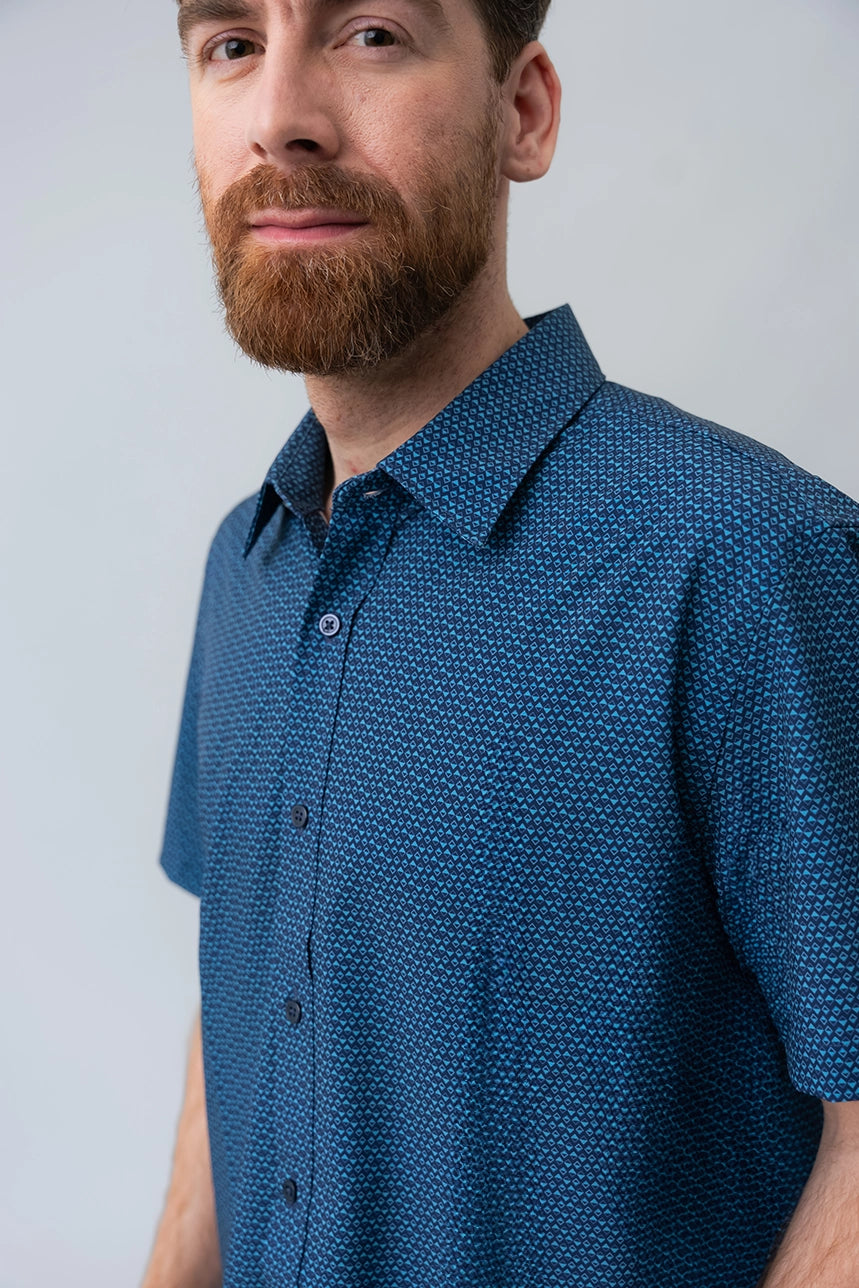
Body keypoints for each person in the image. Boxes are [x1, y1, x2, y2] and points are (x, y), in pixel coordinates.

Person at [143, 0, 859, 1284]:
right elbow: (244, 1010)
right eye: (232, 45)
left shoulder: (749, 558)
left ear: (521, 111)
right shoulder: (243, 571)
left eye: (370, 34)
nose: (280, 118)